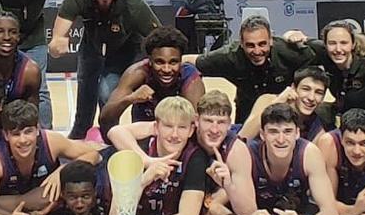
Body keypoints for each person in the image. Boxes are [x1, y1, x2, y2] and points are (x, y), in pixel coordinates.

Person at [51, 0, 160, 140]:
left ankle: (110, 136)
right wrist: (57, 44)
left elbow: (160, 38)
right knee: (85, 90)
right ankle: (79, 133)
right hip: (91, 48)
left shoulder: (133, 4)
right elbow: (56, 40)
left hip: (123, 52)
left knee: (106, 93)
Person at [207, 102, 338, 215]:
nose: (281, 140)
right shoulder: (246, 155)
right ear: (262, 134)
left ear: (297, 133)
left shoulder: (309, 154)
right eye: (273, 132)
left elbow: (331, 212)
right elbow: (211, 206)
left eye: (287, 131)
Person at [0, 101, 102, 215]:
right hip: (10, 208)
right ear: (6, 135)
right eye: (16, 134)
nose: (23, 140)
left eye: (28, 132)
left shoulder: (51, 142)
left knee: (49, 195)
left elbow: (94, 154)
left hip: (48, 207)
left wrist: (63, 171)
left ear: (38, 130)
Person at [102, 97, 208, 215]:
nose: (174, 135)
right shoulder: (138, 149)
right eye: (168, 126)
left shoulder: (195, 158)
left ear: (191, 131)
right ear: (156, 127)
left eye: (182, 127)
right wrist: (143, 180)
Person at [186, 16, 315, 124]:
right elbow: (190, 60)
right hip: (248, 113)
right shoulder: (229, 57)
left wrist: (297, 35)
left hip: (285, 112)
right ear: (241, 43)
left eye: (262, 44)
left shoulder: (287, 51)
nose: (257, 51)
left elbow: (323, 52)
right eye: (250, 45)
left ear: (271, 40)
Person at [98, 26, 204, 135]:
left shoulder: (191, 79)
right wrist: (130, 99)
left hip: (176, 139)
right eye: (159, 62)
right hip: (144, 136)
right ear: (150, 61)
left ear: (181, 61)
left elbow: (198, 128)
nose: (166, 69)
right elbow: (105, 119)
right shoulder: (137, 73)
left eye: (173, 62)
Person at [237, 67, 332, 143]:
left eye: (318, 92)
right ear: (293, 88)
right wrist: (276, 104)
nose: (311, 97)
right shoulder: (268, 100)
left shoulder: (317, 129)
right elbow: (243, 137)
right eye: (306, 89)